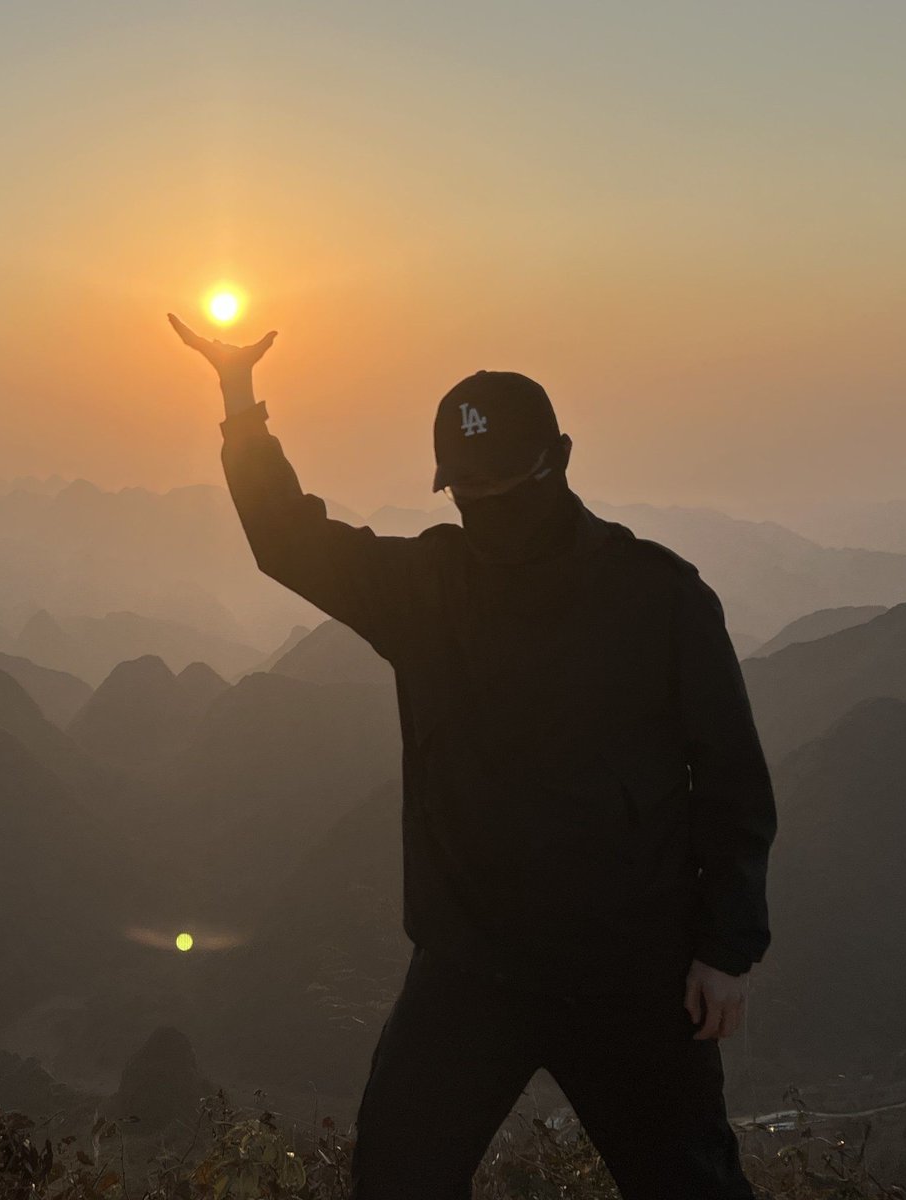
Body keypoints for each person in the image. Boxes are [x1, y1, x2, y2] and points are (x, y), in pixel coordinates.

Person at [168, 313, 778, 1200]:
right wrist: (237, 398)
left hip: (630, 970)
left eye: (500, 483)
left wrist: (726, 949)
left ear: (559, 459)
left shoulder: (658, 596)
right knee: (397, 1176)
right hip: (471, 971)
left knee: (688, 1186)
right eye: (463, 490)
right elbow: (285, 537)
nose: (483, 507)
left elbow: (730, 778)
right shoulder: (429, 585)